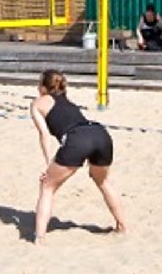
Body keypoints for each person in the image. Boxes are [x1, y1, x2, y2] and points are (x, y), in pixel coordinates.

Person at [28, 70, 129, 244]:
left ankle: (39, 238)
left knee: (47, 186)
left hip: (77, 138)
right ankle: (123, 227)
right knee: (103, 182)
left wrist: (48, 164)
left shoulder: (38, 103)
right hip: (100, 133)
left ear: (43, 87)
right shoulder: (68, 101)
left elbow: (44, 135)